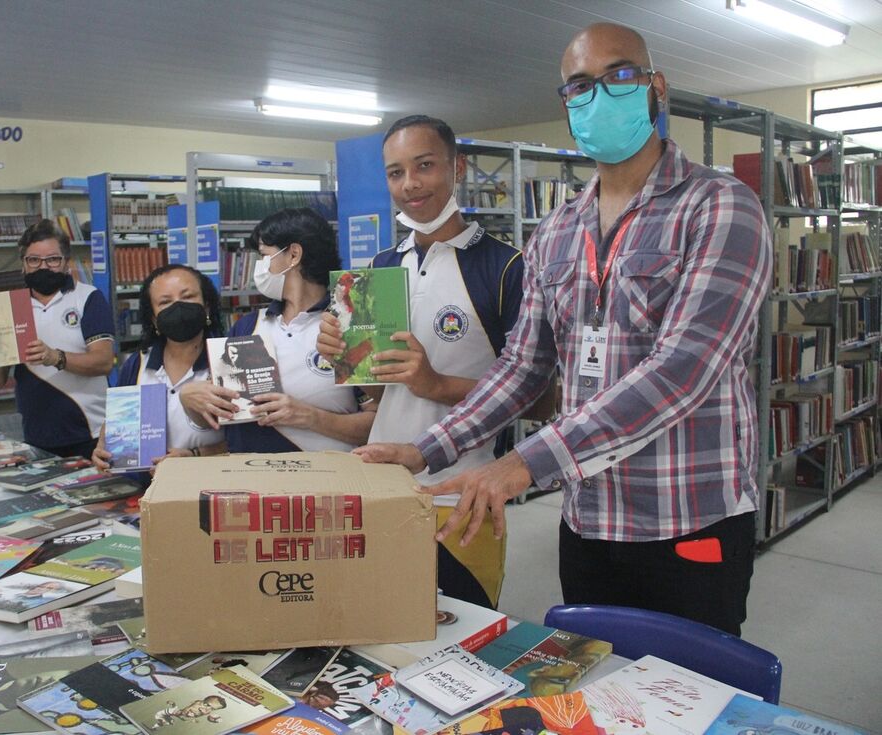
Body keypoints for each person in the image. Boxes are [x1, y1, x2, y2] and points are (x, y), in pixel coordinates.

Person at [356, 23, 771, 635]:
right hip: (588, 518)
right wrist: (425, 450)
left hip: (687, 516)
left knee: (688, 698)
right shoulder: (556, 231)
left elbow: (684, 369)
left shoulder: (720, 205)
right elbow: (523, 367)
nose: (599, 96)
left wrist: (524, 463)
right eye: (580, 86)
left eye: (619, 75)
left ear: (656, 87)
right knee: (601, 694)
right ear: (566, 104)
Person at [316, 115, 525, 608]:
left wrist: (436, 384)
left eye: (425, 166)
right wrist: (345, 357)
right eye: (395, 172)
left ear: (458, 167)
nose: (410, 184)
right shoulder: (378, 268)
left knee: (460, 629)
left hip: (462, 491)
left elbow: (540, 393)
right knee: (377, 620)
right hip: (380, 484)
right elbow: (377, 393)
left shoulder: (507, 267)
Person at [182, 207, 376, 452]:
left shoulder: (348, 322)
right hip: (250, 477)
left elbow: (379, 424)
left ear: (294, 254)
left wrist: (311, 417)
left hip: (325, 480)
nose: (260, 267)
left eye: (264, 255)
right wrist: (192, 401)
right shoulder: (248, 326)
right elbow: (218, 417)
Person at [0, 219, 114, 459]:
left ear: (66, 263)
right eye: (34, 260)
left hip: (91, 430)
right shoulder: (9, 307)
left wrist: (56, 357)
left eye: (52, 259)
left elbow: (103, 361)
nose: (43, 267)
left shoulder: (88, 298)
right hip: (37, 433)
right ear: (23, 264)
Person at [92, 263, 228, 473]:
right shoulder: (138, 364)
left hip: (211, 488)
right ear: (154, 319)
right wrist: (103, 448)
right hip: (145, 490)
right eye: (165, 302)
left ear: (207, 306)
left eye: (188, 297)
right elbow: (117, 424)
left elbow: (249, 442)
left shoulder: (229, 361)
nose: (178, 307)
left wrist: (196, 455)